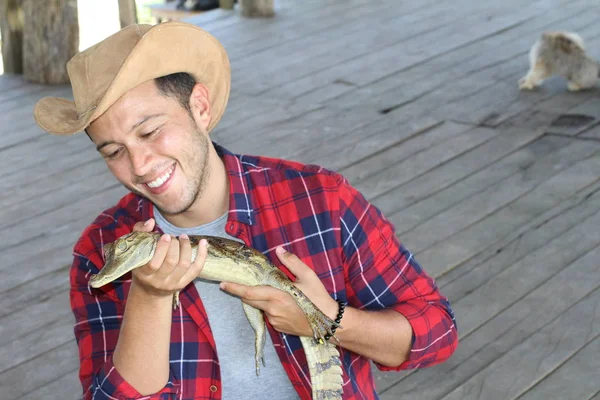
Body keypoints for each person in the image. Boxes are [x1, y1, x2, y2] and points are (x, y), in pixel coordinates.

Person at [34, 21, 458, 399]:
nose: (140, 166)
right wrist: (150, 297)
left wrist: (325, 320)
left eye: (150, 131)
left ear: (199, 107)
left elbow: (436, 333)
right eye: (114, 151)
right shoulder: (101, 249)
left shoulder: (319, 198)